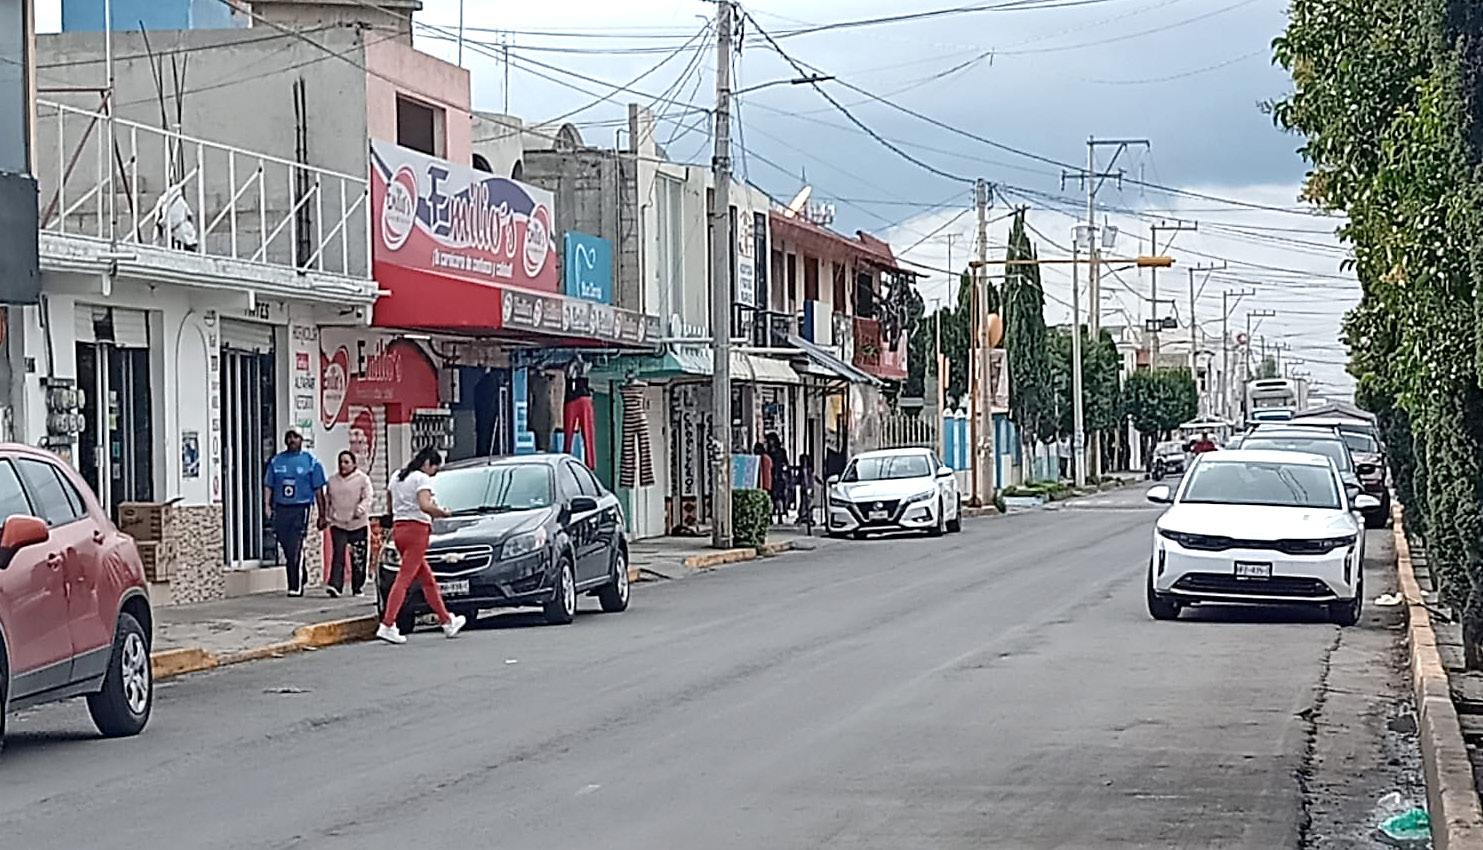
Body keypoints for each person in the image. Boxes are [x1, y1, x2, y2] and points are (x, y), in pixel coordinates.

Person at [377, 447, 467, 645]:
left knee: (427, 580)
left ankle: (446, 620)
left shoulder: (397, 477)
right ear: (428, 464)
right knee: (404, 579)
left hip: (399, 529)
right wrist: (442, 512)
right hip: (417, 531)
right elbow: (425, 505)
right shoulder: (421, 478)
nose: (433, 474)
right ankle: (388, 623)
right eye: (434, 469)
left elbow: (390, 505)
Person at [263, 430, 327, 597]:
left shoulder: (311, 462)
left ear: (301, 440)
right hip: (281, 508)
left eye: (295, 437)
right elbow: (269, 485)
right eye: (289, 437)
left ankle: (294, 585)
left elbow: (319, 490)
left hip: (301, 507)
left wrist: (322, 514)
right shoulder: (276, 461)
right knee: (285, 545)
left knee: (295, 546)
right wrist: (267, 505)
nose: (292, 440)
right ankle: (300, 571)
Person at [323, 450, 373, 597]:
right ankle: (335, 585)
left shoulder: (362, 479)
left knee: (358, 557)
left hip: (357, 524)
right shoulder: (332, 481)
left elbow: (368, 497)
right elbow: (328, 500)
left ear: (353, 464)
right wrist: (327, 516)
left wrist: (361, 509)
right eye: (341, 462)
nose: (343, 465)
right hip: (338, 523)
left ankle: (357, 586)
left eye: (346, 462)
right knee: (338, 554)